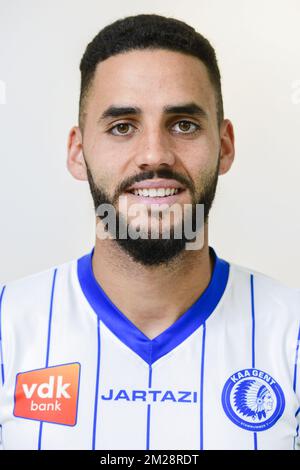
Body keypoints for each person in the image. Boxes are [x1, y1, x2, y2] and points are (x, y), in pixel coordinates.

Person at [0, 13, 299, 451]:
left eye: (184, 124)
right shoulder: (7, 330)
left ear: (226, 146)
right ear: (78, 153)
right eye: (122, 127)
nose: (155, 155)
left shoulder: (292, 335)